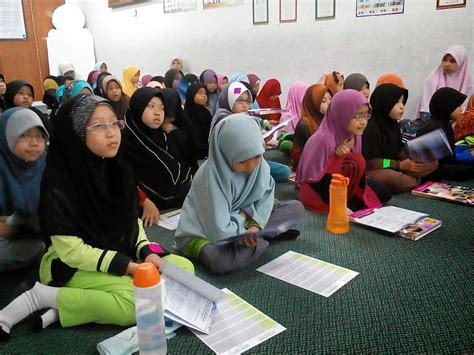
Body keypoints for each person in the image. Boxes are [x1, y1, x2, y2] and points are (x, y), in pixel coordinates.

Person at [0, 94, 194, 341]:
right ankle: (42, 296)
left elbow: (130, 221)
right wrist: (128, 267)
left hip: (118, 252)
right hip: (71, 264)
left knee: (184, 270)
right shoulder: (59, 182)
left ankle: (64, 310)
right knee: (138, 303)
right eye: (99, 126)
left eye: (115, 123)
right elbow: (72, 251)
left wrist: (147, 252)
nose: (112, 133)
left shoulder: (117, 168)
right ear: (78, 133)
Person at [175, 114, 304, 274]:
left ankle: (257, 237)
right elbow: (219, 230)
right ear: (224, 154)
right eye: (242, 161)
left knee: (295, 208)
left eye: (256, 156)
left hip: (246, 220)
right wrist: (243, 217)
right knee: (219, 260)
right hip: (206, 233)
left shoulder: (260, 165)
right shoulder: (210, 176)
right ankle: (261, 239)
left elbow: (266, 195)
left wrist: (255, 225)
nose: (251, 166)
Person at [297, 90, 391, 212]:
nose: (363, 122)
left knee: (385, 192)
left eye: (366, 115)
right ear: (342, 114)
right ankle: (341, 202)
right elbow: (312, 180)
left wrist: (397, 164)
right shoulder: (324, 139)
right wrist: (338, 158)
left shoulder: (354, 134)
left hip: (348, 182)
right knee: (356, 161)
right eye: (357, 116)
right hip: (319, 190)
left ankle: (348, 199)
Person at [121, 88, 193, 216]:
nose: (157, 113)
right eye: (151, 106)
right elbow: (123, 179)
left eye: (162, 108)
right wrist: (143, 200)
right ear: (137, 108)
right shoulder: (125, 142)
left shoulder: (163, 137)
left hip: (175, 205)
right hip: (146, 210)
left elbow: (178, 169)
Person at [362, 84, 438, 192]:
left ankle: (408, 180)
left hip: (395, 166)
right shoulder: (370, 127)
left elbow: (397, 151)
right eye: (397, 102)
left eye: (402, 102)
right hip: (374, 170)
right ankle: (412, 180)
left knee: (432, 161)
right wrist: (399, 165)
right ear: (385, 104)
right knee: (393, 178)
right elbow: (370, 163)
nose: (402, 106)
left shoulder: (393, 125)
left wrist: (412, 158)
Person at [211, 82, 291, 182]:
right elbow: (239, 153)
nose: (245, 105)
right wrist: (260, 142)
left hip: (249, 161)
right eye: (239, 100)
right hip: (234, 166)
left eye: (248, 101)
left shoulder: (242, 117)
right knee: (281, 172)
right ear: (229, 100)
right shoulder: (226, 121)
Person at [0, 108, 48, 272]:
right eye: (24, 135)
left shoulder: (46, 164)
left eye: (40, 136)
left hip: (33, 232)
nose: (34, 143)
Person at [417, 87, 473, 179]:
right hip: (431, 166)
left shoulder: (445, 123)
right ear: (447, 107)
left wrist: (467, 149)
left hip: (443, 161)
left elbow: (450, 148)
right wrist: (469, 155)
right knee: (463, 170)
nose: (461, 109)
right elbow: (445, 158)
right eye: (457, 106)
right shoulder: (433, 127)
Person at [418, 45, 472, 117]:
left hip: (459, 120)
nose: (447, 64)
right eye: (444, 60)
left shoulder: (469, 84)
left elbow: (467, 109)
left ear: (462, 62)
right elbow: (426, 108)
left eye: (452, 61)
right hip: (434, 120)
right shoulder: (432, 79)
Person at [291, 84, 331, 171]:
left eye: (330, 99)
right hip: (308, 169)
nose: (329, 103)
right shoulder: (305, 124)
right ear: (313, 103)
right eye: (323, 101)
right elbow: (297, 155)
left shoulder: (327, 120)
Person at [184, 83, 212, 159]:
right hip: (192, 155)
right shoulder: (185, 114)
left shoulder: (206, 113)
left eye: (205, 93)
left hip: (208, 153)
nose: (204, 96)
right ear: (191, 94)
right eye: (200, 92)